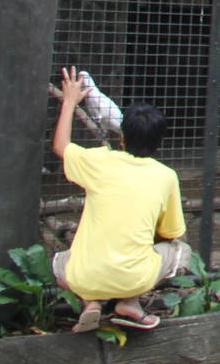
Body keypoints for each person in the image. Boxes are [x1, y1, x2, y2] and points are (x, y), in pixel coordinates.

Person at [51, 67, 191, 333]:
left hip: (83, 276)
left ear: (122, 136)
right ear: (159, 142)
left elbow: (61, 146)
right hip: (135, 278)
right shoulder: (166, 176)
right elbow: (172, 232)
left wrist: (69, 101)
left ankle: (90, 301)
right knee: (180, 251)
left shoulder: (100, 161)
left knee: (59, 263)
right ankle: (130, 303)